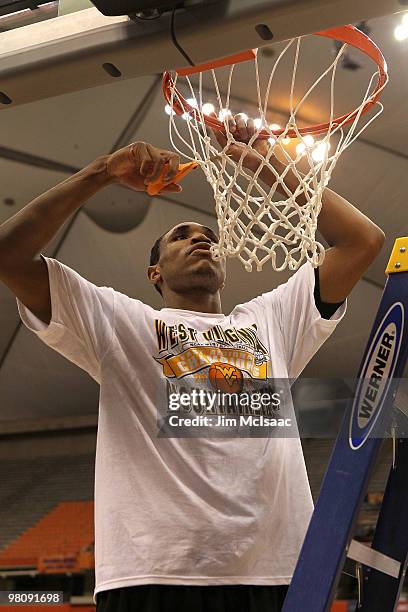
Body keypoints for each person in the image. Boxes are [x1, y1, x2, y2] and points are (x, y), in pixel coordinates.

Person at [0, 116, 385, 612]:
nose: (201, 238)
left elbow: (362, 241)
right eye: (182, 235)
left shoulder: (271, 320)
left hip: (280, 570)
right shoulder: (121, 321)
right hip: (154, 574)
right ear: (154, 272)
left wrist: (262, 163)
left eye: (208, 235)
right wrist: (101, 173)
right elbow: (9, 255)